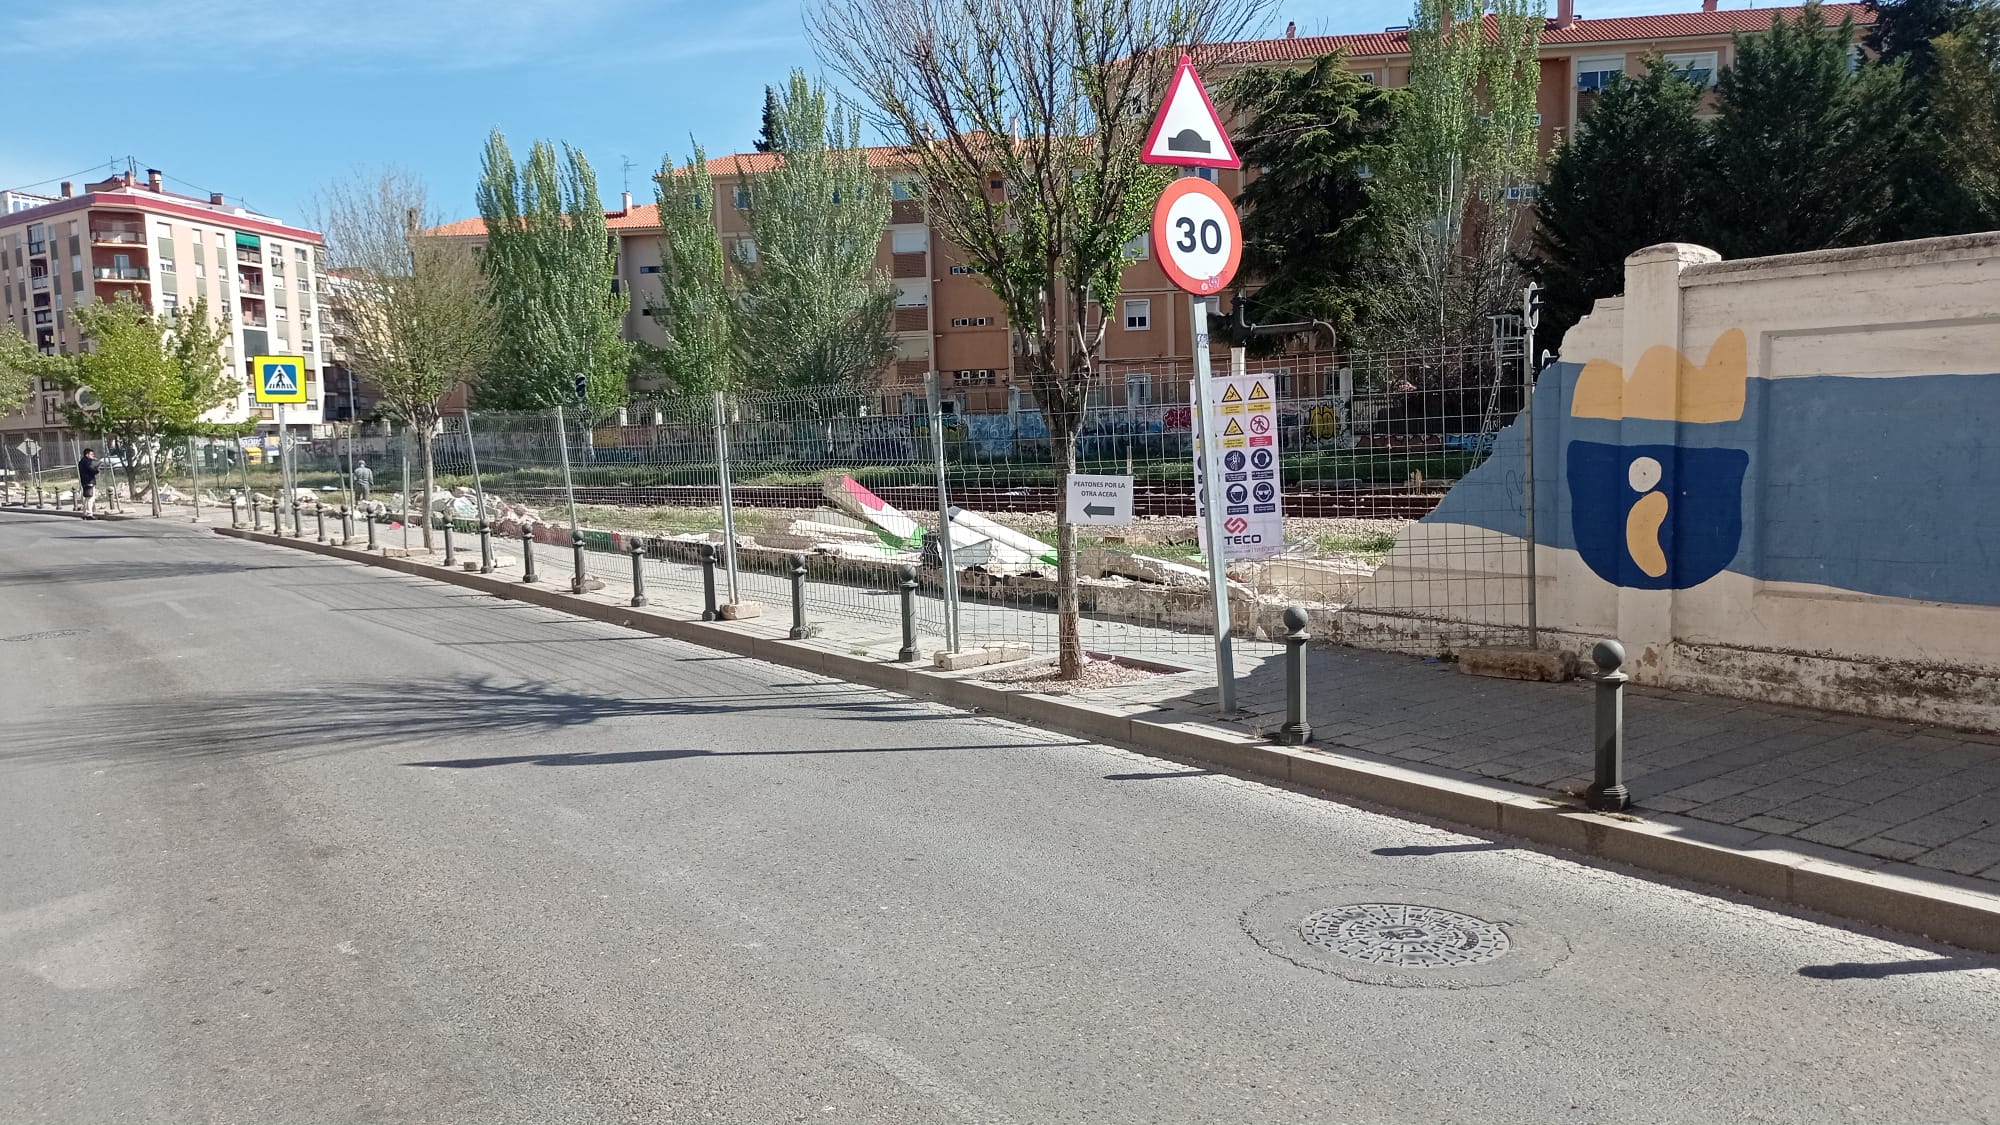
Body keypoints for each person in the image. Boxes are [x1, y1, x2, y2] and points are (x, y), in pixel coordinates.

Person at [77, 448, 99, 519]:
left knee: (86, 498)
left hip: (84, 481)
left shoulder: (81, 462)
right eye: (91, 454)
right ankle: (89, 514)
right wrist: (96, 468)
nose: (93, 456)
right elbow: (91, 470)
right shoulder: (87, 462)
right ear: (87, 454)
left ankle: (84, 513)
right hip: (89, 481)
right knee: (90, 498)